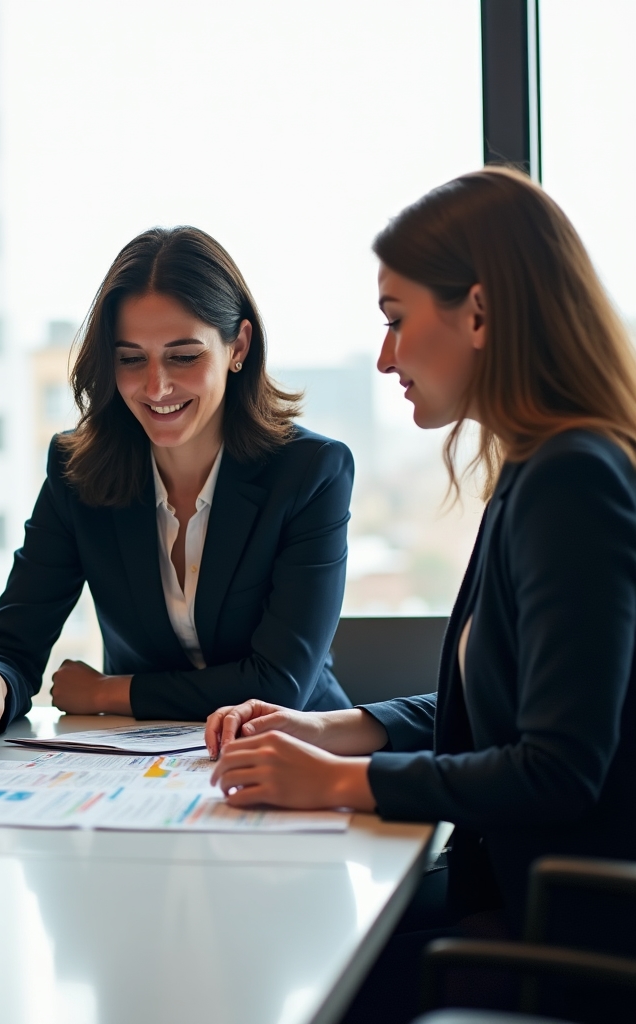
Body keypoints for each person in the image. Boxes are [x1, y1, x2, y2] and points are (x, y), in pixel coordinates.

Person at [205, 168, 636, 1017]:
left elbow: (557, 769)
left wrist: (338, 783)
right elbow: (504, 706)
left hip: (571, 938)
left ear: (479, 313)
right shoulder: (540, 467)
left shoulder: (573, 480)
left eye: (396, 319)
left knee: (288, 961)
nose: (385, 356)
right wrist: (334, 730)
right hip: (526, 899)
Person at [0, 226, 354, 756]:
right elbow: (16, 641)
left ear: (238, 346)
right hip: (139, 763)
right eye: (131, 359)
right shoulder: (76, 470)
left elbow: (276, 685)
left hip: (296, 753)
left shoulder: (310, 472)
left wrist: (108, 692)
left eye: (184, 356)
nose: (156, 387)